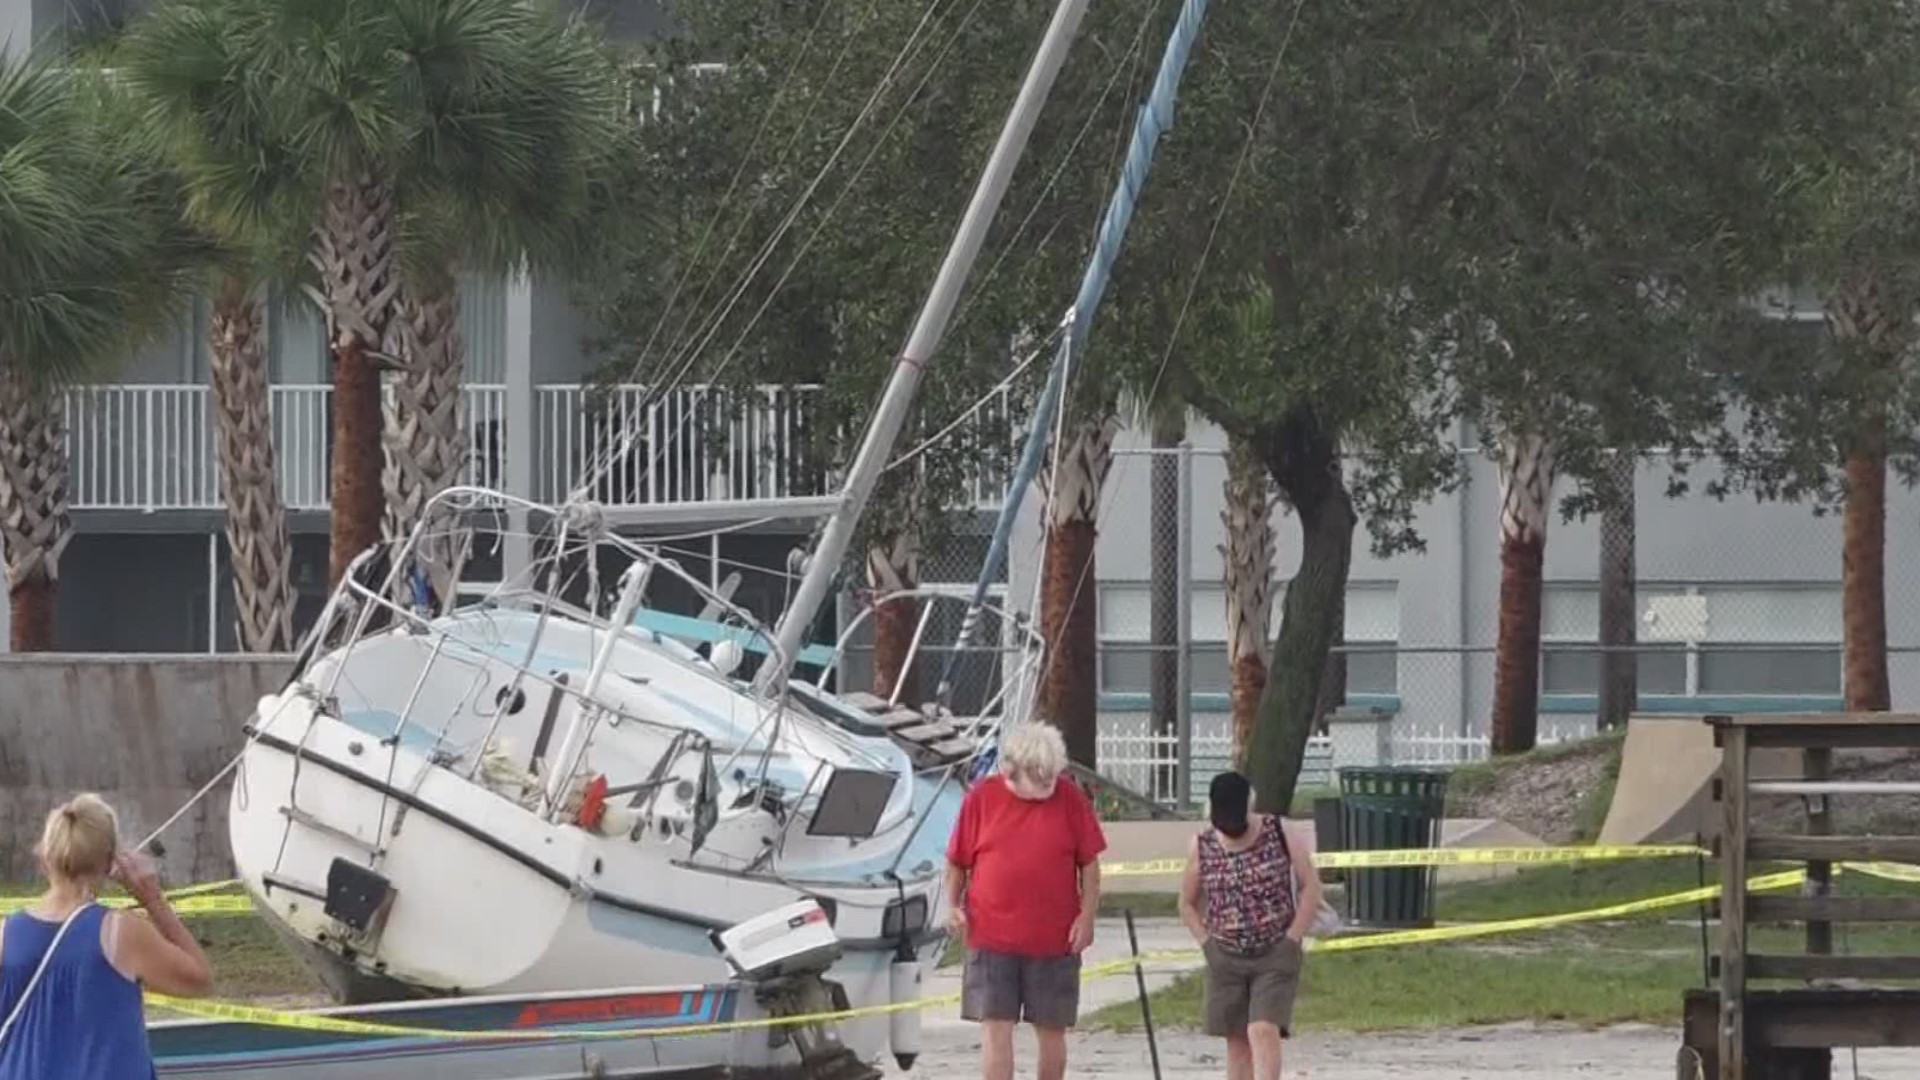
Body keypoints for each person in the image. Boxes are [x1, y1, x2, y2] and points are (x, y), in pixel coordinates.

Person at [0, 793, 213, 1079]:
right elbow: (199, 979)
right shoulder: (123, 934)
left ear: (44, 855)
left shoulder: (6, 934)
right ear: (111, 862)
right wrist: (153, 900)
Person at [945, 723, 1105, 1080]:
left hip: (1055, 938)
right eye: (1039, 780)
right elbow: (956, 861)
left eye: (1051, 778)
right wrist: (952, 904)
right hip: (990, 936)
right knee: (995, 1029)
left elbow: (1090, 865)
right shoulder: (981, 799)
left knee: (1052, 1029)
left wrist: (1087, 915)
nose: (1048, 786)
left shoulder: (1070, 799)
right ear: (1010, 772)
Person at [1178, 771, 1322, 1080]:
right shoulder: (1202, 845)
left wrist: (1293, 938)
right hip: (1225, 956)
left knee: (1262, 1028)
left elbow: (1310, 886)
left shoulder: (1280, 831)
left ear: (1250, 807)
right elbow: (1187, 903)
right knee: (1237, 1041)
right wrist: (1208, 945)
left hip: (1275, 952)